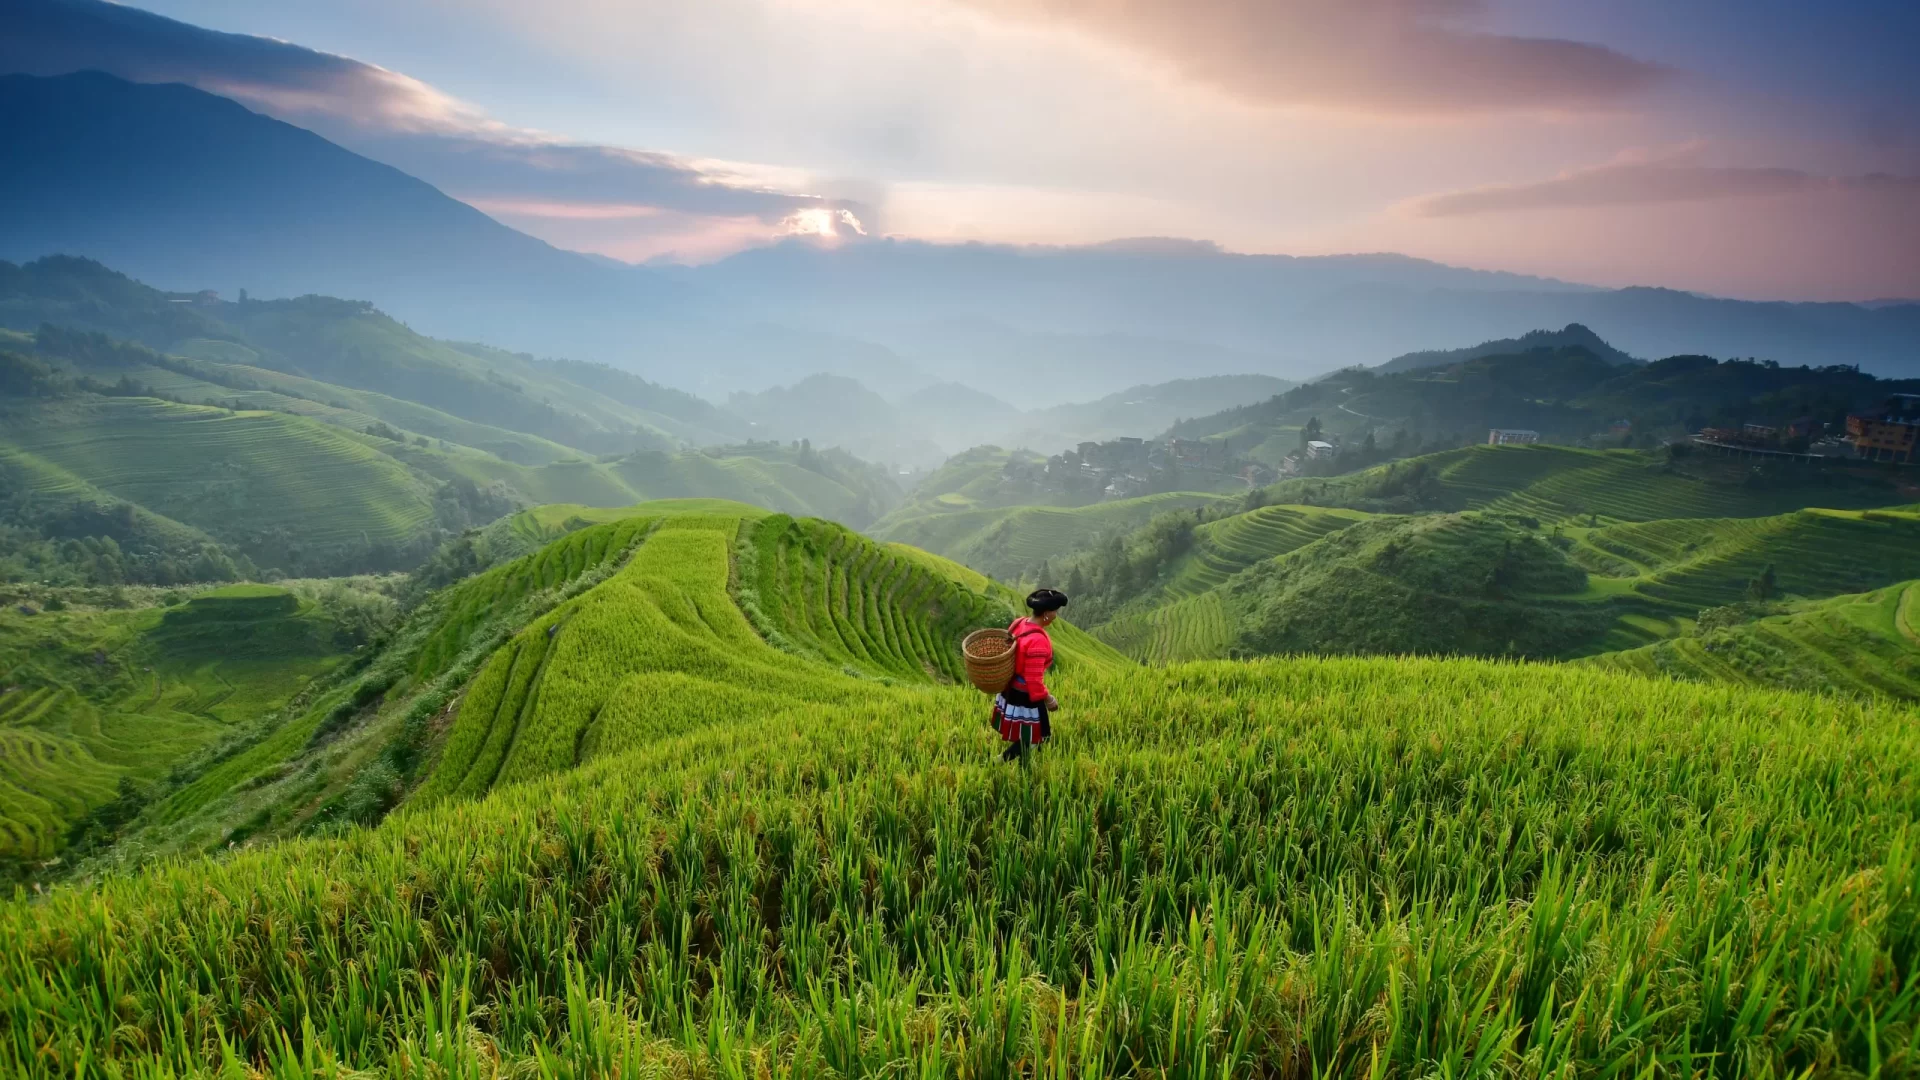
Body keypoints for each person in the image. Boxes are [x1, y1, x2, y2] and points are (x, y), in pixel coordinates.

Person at [993, 588, 1067, 765]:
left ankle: (1025, 765)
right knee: (1036, 735)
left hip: (1011, 688)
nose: (1056, 615)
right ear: (1047, 614)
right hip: (1025, 695)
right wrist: (1049, 699)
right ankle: (1001, 761)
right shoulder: (1038, 641)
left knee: (1033, 733)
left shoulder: (1019, 623)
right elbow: (1033, 680)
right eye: (1055, 611)